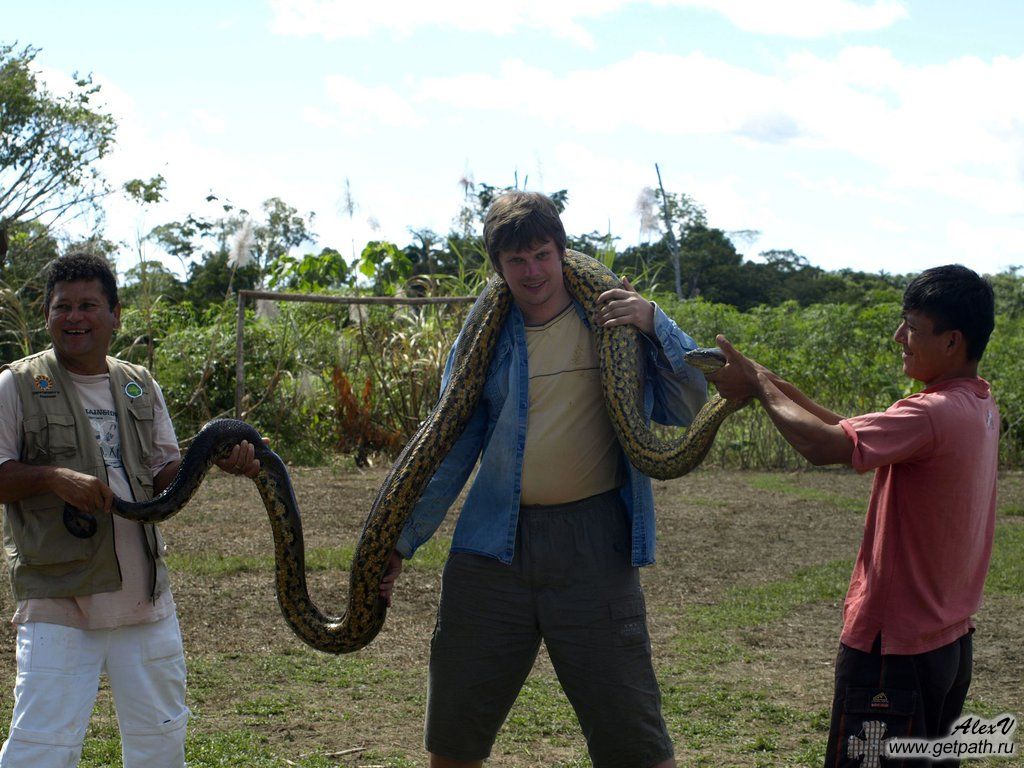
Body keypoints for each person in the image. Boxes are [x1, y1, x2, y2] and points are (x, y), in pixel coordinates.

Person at [378, 191, 709, 768]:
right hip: (491, 548)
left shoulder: (615, 321)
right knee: (455, 735)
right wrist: (401, 541)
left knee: (632, 736)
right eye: (516, 261)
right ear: (498, 268)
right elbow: (450, 445)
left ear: (561, 250)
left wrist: (656, 322)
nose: (532, 272)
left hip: (594, 543)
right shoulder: (485, 337)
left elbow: (686, 406)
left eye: (541, 255)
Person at [706, 265, 998, 767]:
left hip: (895, 651)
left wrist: (756, 385)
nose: (899, 337)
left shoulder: (929, 414)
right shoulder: (976, 405)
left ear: (952, 342)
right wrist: (766, 380)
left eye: (912, 326)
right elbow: (842, 428)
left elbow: (821, 446)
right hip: (947, 645)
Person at [0, 253, 262, 768]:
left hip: (145, 600)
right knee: (41, 747)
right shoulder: (16, 385)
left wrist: (218, 461)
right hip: (60, 598)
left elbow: (165, 474)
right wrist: (53, 478)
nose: (75, 317)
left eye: (89, 305)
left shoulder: (139, 382)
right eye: (63, 307)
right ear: (47, 316)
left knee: (160, 742)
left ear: (115, 315)